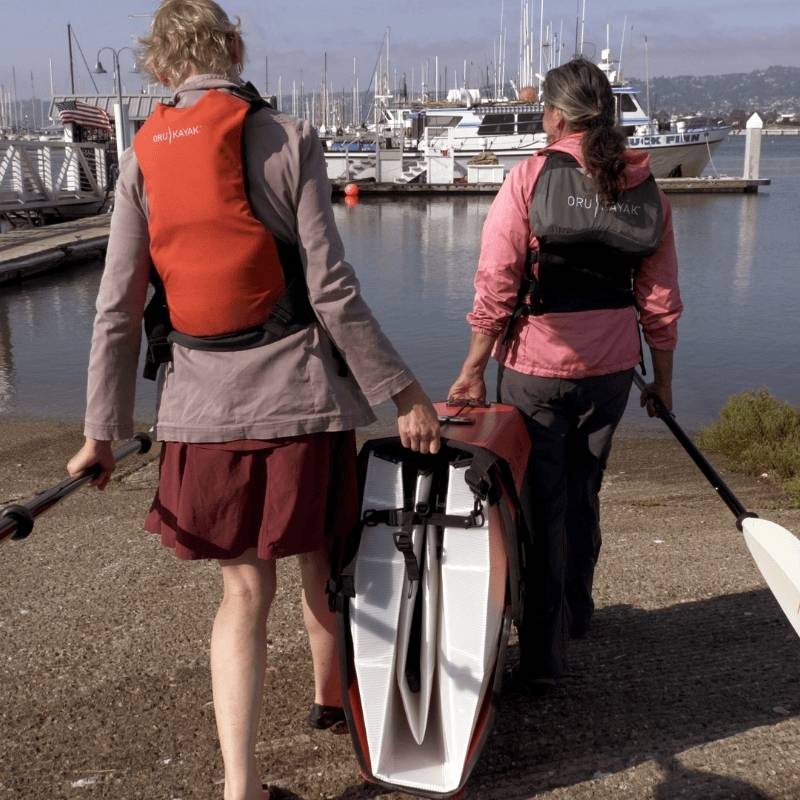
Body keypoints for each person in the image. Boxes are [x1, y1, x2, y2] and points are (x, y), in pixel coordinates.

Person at [66, 2, 440, 799]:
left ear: (158, 66)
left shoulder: (140, 157)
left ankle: (240, 787)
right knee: (320, 557)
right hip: (301, 401)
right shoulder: (292, 139)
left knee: (242, 591)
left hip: (200, 410)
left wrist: (102, 431)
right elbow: (332, 292)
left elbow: (117, 305)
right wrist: (404, 392)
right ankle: (333, 702)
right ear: (234, 50)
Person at [448, 58, 682, 693]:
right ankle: (577, 612)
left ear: (554, 115)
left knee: (536, 506)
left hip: (533, 374)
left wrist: (472, 369)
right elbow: (659, 301)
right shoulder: (647, 189)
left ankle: (543, 653)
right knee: (582, 494)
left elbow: (497, 284)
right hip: (611, 373)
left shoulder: (528, 178)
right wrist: (662, 382)